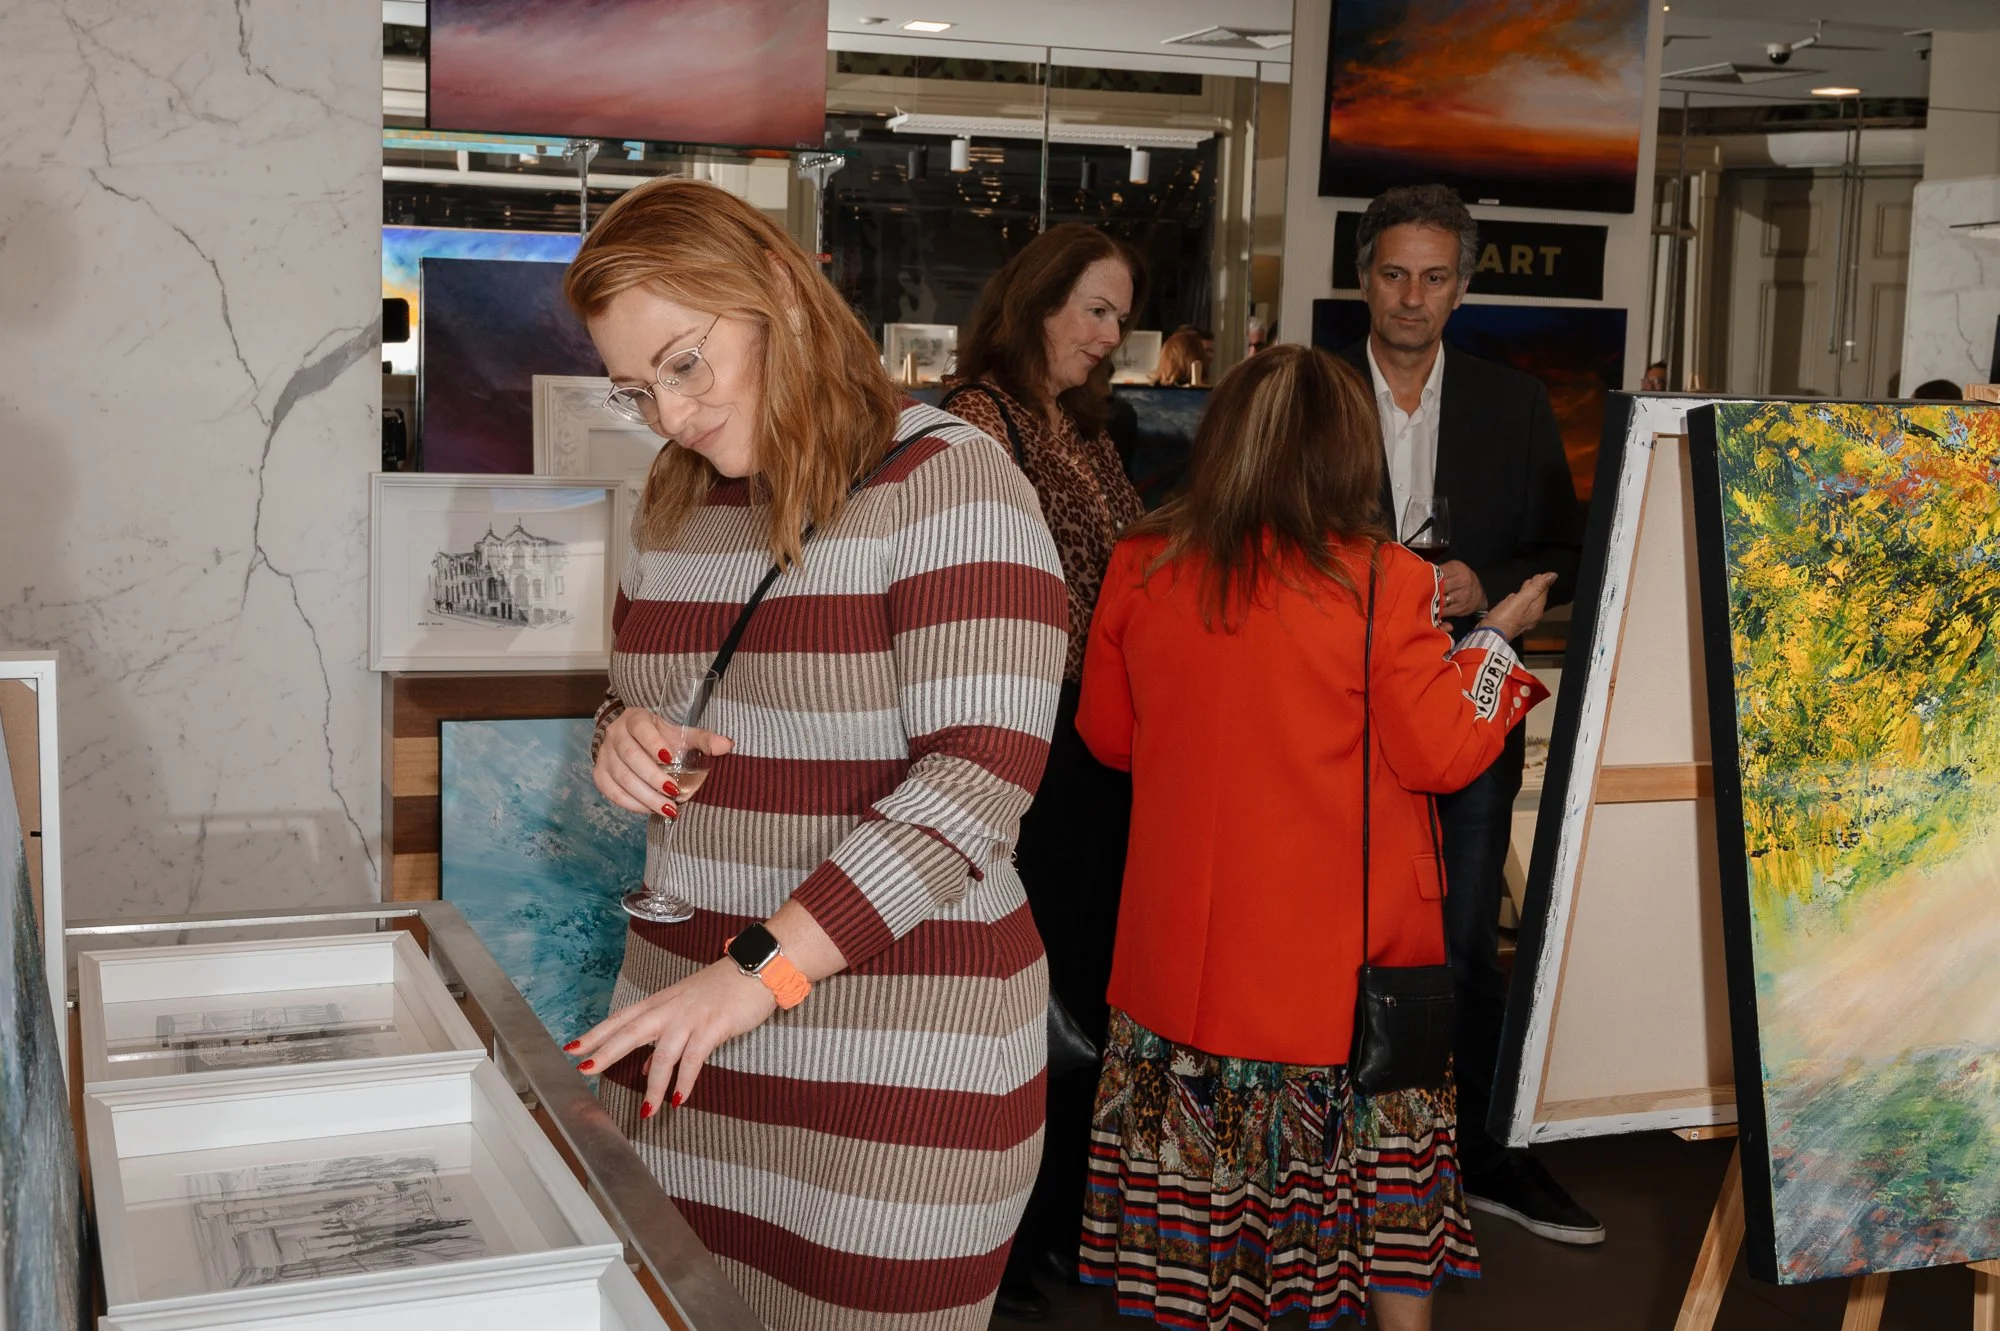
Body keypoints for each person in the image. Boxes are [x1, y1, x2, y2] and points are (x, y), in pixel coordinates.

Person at [561, 177, 1068, 1331]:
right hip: (686, 1052)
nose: (672, 416)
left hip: (894, 1068)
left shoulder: (948, 484)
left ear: (778, 299)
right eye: (637, 390)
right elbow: (629, 695)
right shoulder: (672, 502)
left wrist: (758, 974)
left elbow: (974, 787)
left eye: (685, 364)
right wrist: (621, 737)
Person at [1075, 345, 1555, 1331]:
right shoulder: (1384, 580)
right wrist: (1493, 643)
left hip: (1183, 967)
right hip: (1343, 969)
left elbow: (1110, 740)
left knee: (1197, 1218)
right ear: (1349, 455)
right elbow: (1439, 752)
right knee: (1384, 1184)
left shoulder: (1142, 561)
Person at [1335, 184, 1598, 1245]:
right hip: (1332, 713)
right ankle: (1336, 1161)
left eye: (1433, 276)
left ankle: (1473, 1160)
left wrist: (1478, 579)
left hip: (1466, 708)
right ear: (1361, 277)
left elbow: (1564, 553)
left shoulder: (1511, 402)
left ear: (1463, 284)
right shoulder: (1309, 393)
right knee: (1335, 933)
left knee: (1456, 944)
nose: (1411, 296)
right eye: (1393, 273)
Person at [939, 222, 1149, 1321]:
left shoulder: (1083, 430)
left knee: (1080, 994)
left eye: (1118, 315)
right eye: (1096, 310)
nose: (1111, 336)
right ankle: (1001, 1235)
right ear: (1038, 303)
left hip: (1095, 747)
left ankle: (1052, 1219)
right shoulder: (975, 422)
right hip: (1025, 747)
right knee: (1029, 998)